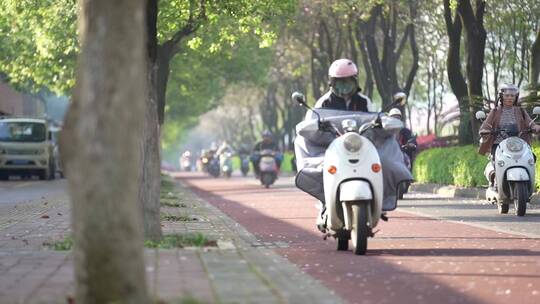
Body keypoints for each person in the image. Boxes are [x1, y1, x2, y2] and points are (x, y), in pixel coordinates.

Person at [478, 84, 540, 188]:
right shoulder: (495, 111)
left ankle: (527, 184)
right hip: (499, 144)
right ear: (501, 97)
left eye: (512, 95)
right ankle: (496, 181)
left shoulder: (521, 111)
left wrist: (535, 127)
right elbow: (486, 124)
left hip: (518, 143)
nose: (510, 98)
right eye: (507, 95)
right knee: (495, 160)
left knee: (531, 158)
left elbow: (529, 122)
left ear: (516, 96)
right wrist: (485, 130)